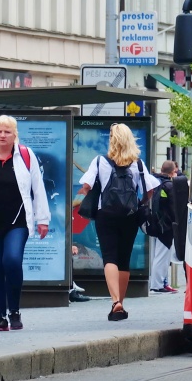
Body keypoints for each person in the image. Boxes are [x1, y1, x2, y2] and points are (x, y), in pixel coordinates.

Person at [0, 115, 50, 332]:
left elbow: (38, 187)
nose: (2, 135)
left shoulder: (25, 155)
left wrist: (42, 219)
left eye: (7, 132)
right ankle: (0, 316)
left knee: (12, 260)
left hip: (17, 221)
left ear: (15, 134)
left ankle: (14, 310)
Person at [76, 124, 157, 321]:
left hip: (106, 215)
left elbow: (85, 186)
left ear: (112, 140)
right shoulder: (137, 164)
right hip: (130, 215)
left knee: (109, 257)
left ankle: (115, 302)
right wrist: (139, 203)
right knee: (124, 259)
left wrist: (92, 194)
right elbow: (150, 190)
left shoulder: (99, 161)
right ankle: (121, 300)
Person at [148, 161, 178, 295]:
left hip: (154, 222)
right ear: (173, 172)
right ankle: (158, 284)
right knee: (162, 255)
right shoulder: (169, 186)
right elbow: (173, 207)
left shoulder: (155, 182)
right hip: (165, 224)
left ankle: (161, 283)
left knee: (158, 254)